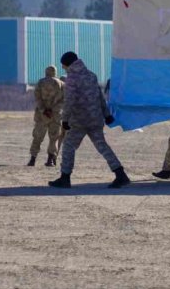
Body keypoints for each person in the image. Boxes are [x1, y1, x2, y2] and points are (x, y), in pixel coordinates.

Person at [48, 52, 130, 189]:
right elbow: (100, 97)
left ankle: (65, 177)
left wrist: (65, 120)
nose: (64, 69)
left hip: (80, 120)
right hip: (95, 118)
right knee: (103, 147)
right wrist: (107, 115)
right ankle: (120, 174)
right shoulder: (91, 75)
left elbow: (69, 101)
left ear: (68, 64)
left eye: (64, 66)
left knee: (68, 146)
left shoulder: (72, 79)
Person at [27, 65, 65, 167]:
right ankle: (51, 159)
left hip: (42, 115)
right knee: (54, 138)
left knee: (37, 137)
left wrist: (44, 109)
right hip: (55, 116)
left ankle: (32, 159)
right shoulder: (62, 84)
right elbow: (64, 101)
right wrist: (54, 110)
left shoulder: (40, 82)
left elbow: (37, 97)